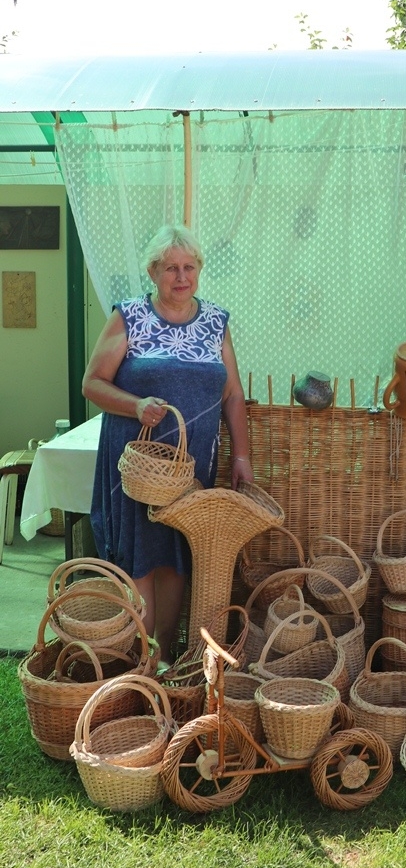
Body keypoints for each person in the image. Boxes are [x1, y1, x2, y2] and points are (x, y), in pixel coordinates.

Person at [82, 224, 253, 665]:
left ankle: (167, 655)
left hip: (191, 467)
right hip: (139, 467)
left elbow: (232, 394)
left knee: (177, 553)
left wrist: (243, 455)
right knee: (140, 553)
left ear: (199, 270)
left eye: (189, 267)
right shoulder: (130, 316)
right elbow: (92, 383)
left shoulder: (216, 322)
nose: (181, 276)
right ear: (153, 272)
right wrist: (136, 404)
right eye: (171, 268)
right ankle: (143, 658)